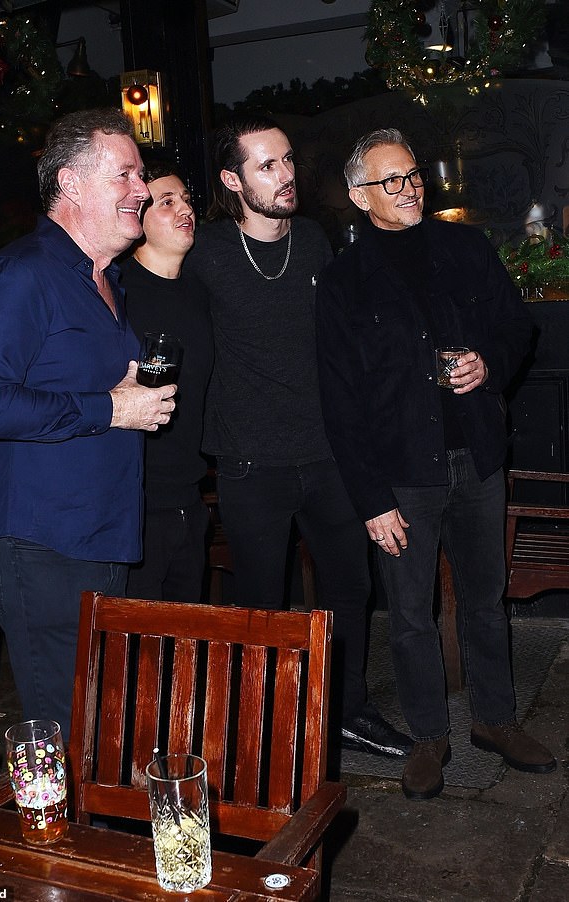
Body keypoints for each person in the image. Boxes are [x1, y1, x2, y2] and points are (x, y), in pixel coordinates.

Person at [315, 127, 556, 800]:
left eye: (414, 174)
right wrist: (370, 499)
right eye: (391, 180)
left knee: (485, 599)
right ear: (362, 196)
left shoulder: (465, 247)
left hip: (476, 457)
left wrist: (490, 363)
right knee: (412, 613)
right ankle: (429, 737)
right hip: (400, 475)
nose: (410, 187)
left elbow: (517, 329)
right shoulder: (341, 282)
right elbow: (339, 400)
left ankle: (496, 721)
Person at [185, 115, 412, 759]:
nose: (286, 176)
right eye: (266, 166)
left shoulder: (313, 240)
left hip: (327, 452)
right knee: (263, 599)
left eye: (287, 161)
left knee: (350, 587)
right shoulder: (208, 251)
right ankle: (268, 726)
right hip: (251, 461)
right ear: (234, 180)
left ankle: (346, 711)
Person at [0, 108, 175, 742]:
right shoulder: (22, 273)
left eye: (142, 175)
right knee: (59, 729)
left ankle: (81, 837)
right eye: (126, 175)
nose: (142, 189)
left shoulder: (105, 281)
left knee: (100, 725)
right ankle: (49, 841)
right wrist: (111, 407)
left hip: (100, 535)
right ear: (71, 182)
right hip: (40, 542)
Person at [121, 163, 213, 602]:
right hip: (135, 505)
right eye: (167, 202)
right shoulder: (117, 293)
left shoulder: (201, 290)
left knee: (184, 654)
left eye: (187, 199)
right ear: (137, 221)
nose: (185, 209)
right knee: (135, 654)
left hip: (190, 499)